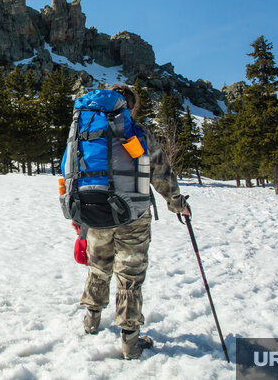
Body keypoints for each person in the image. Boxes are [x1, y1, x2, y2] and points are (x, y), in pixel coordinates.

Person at [75, 84, 191, 360]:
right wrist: (178, 204)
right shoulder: (137, 133)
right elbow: (160, 173)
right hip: (133, 215)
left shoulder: (84, 129)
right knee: (130, 275)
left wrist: (78, 214)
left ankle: (91, 321)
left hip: (94, 210)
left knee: (98, 266)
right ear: (131, 107)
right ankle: (130, 341)